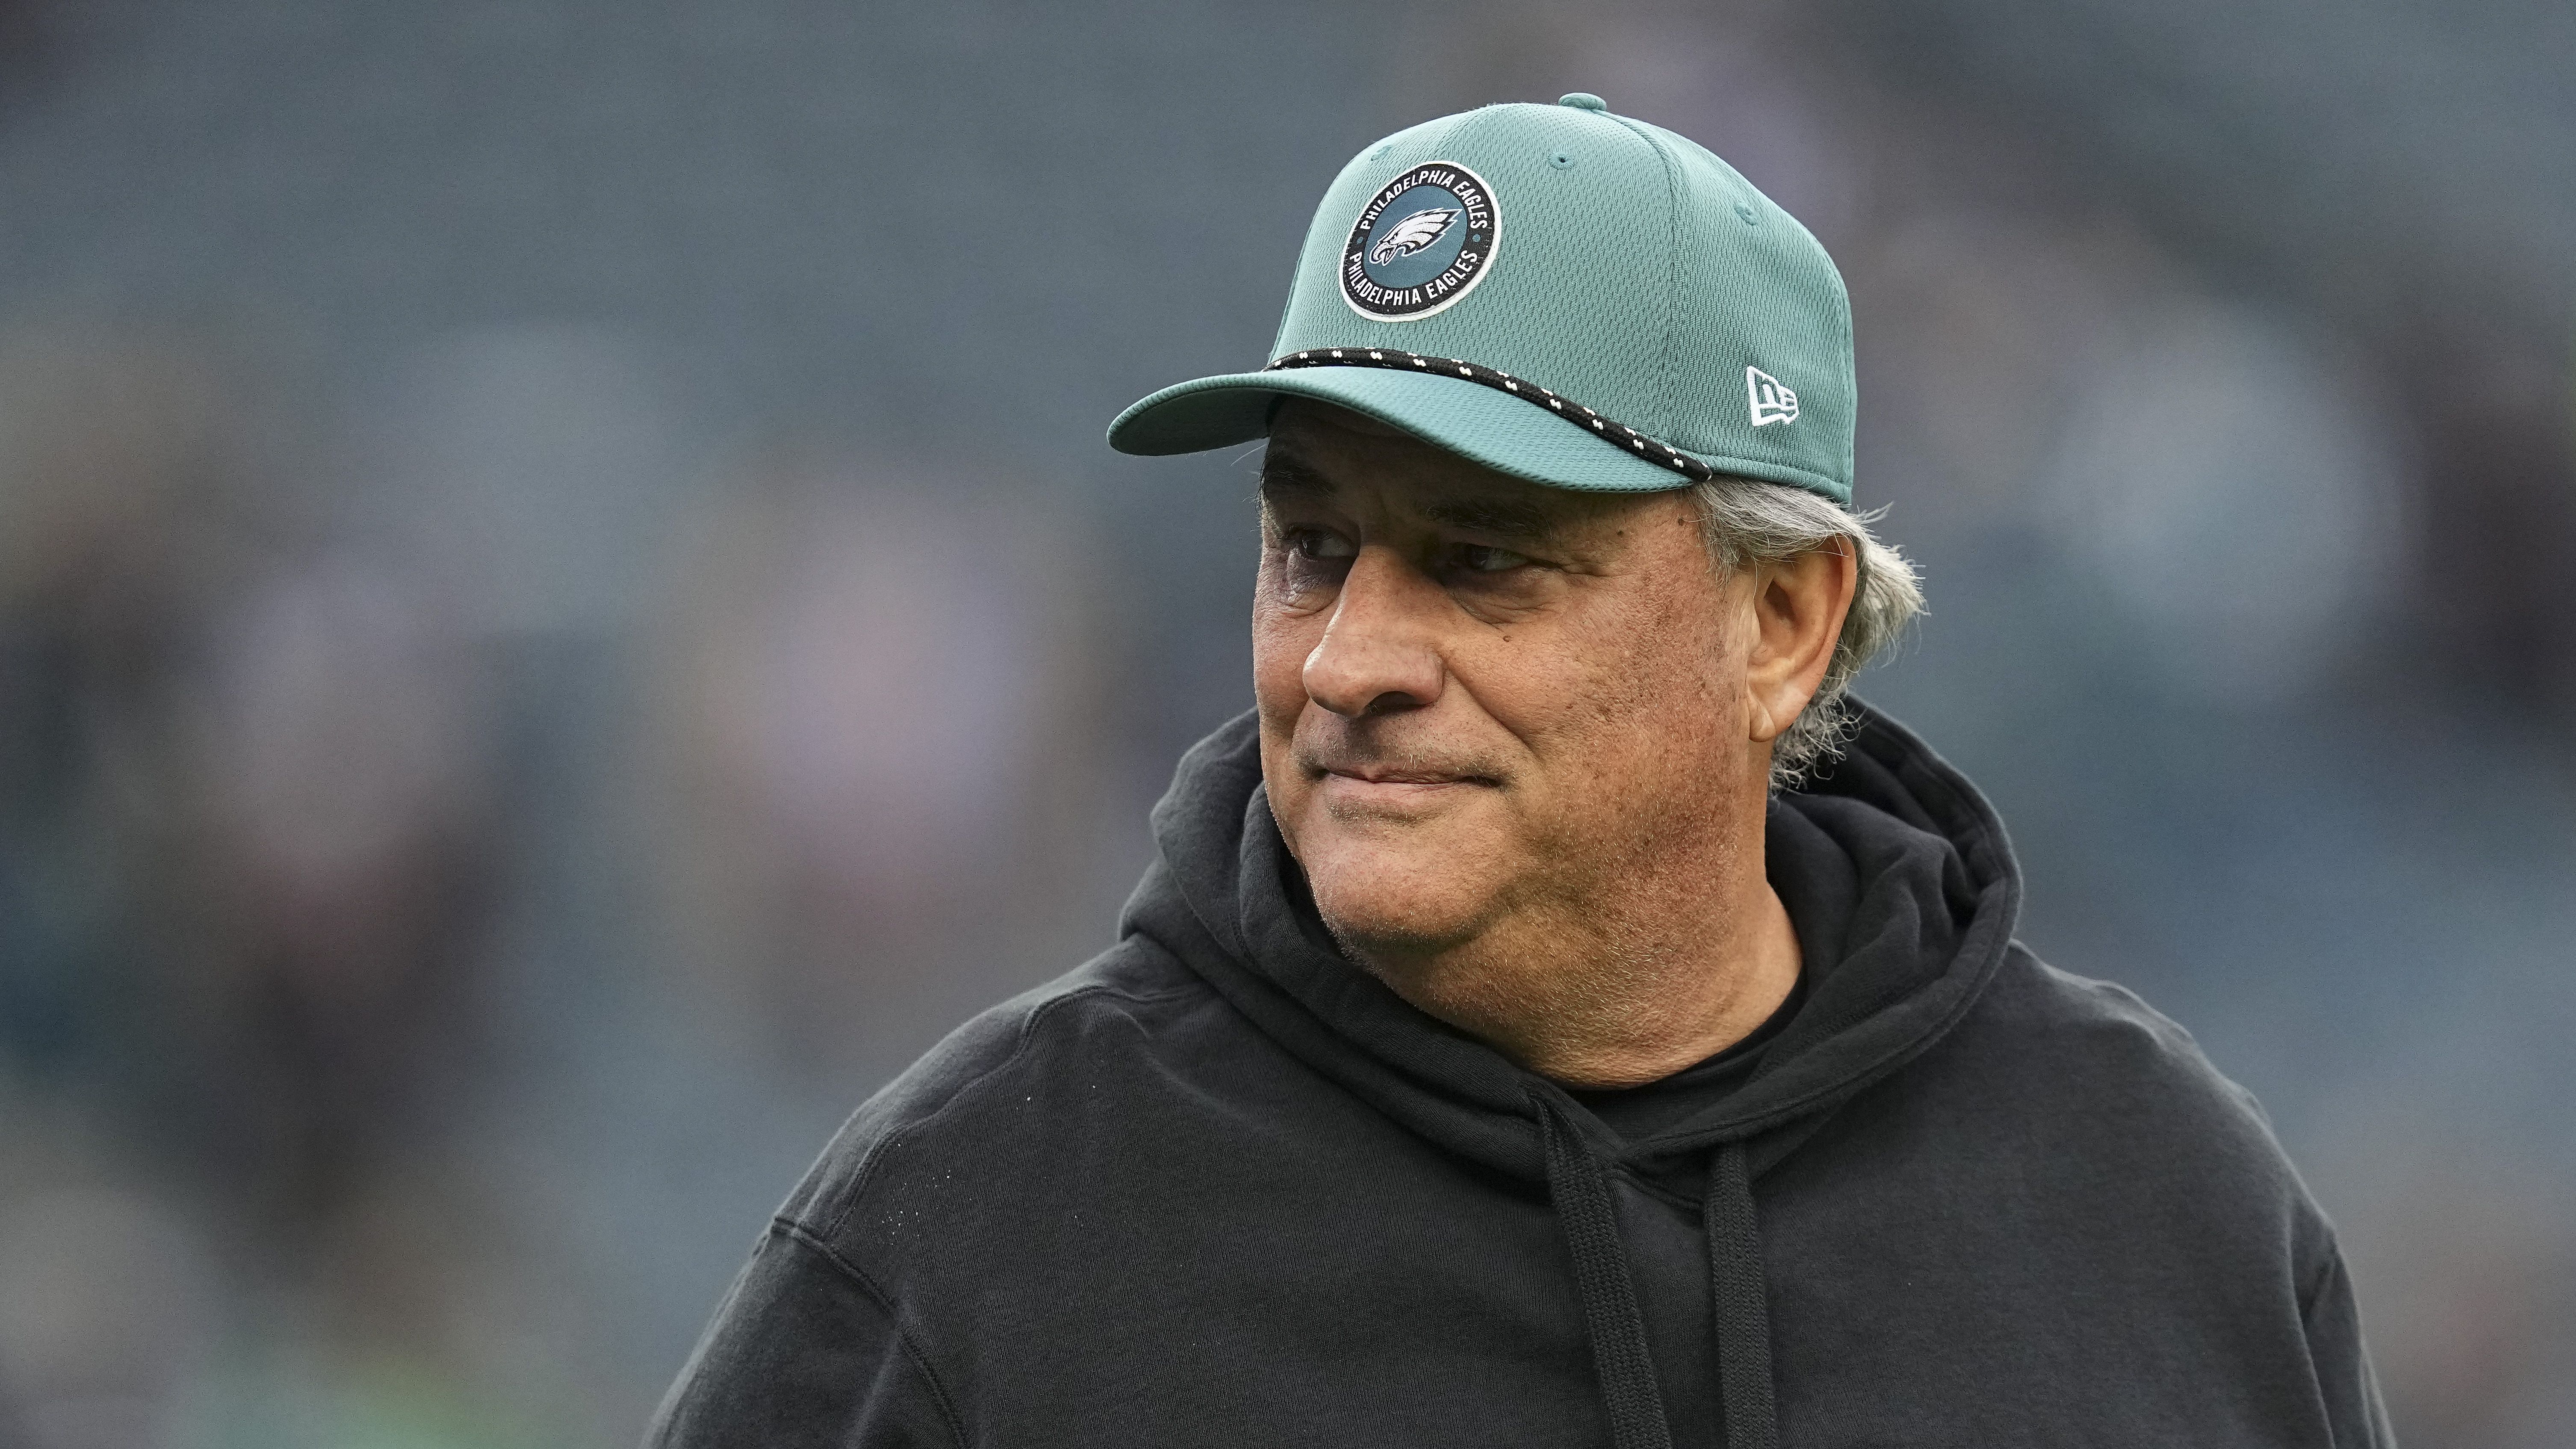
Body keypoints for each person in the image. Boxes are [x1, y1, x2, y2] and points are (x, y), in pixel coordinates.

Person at [648, 94, 2391, 1448]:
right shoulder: (985, 1214)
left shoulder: (2148, 1196)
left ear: (1781, 621)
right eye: (1311, 549)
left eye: (1482, 559)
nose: (1347, 661)